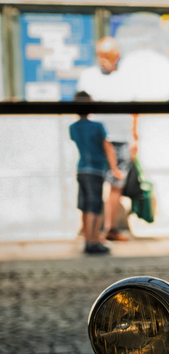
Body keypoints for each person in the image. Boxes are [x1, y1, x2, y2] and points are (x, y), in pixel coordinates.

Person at [79, 38, 138, 240]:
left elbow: (134, 110)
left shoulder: (127, 77)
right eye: (100, 54)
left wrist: (134, 138)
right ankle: (89, 232)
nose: (103, 59)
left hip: (121, 137)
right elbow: (81, 109)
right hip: (97, 140)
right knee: (92, 183)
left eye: (108, 55)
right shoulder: (88, 76)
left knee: (116, 183)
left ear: (117, 56)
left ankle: (110, 228)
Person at [69, 90, 117, 255]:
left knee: (84, 206)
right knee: (95, 206)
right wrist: (115, 168)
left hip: (81, 169)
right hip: (96, 170)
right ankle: (93, 241)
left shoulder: (73, 127)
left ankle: (87, 239)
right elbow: (108, 148)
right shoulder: (98, 126)